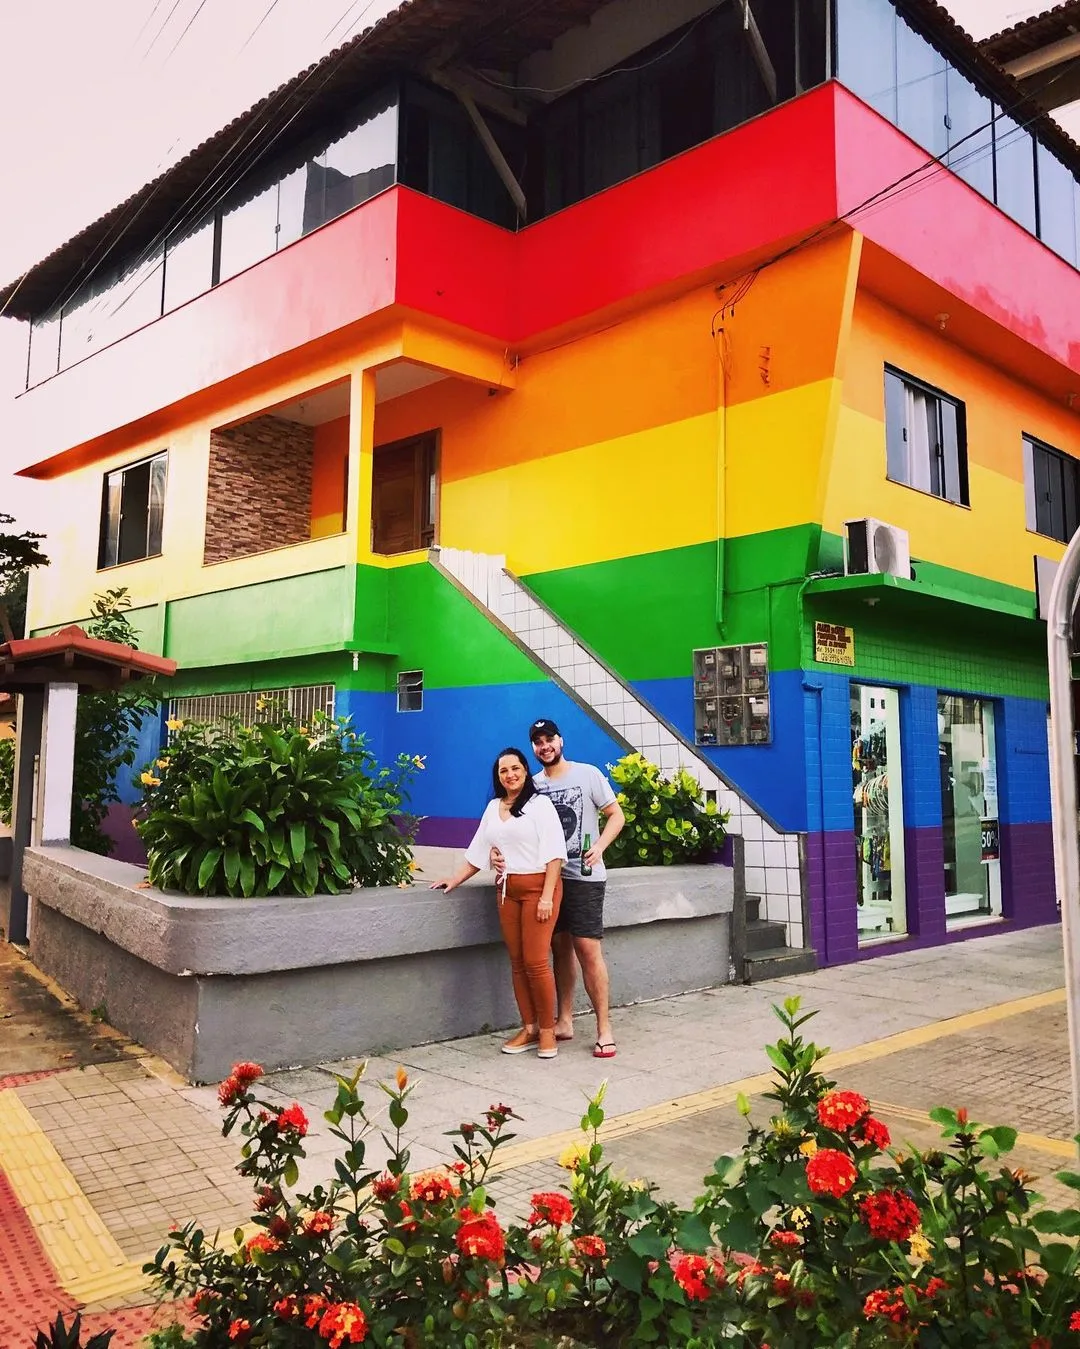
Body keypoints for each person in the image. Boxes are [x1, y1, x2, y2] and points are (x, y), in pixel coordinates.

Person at [497, 719, 625, 1059]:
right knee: (559, 948)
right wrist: (498, 856)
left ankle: (604, 1029)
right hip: (547, 881)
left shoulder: (588, 774)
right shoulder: (532, 786)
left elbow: (616, 815)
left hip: (584, 877)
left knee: (587, 948)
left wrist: (599, 847)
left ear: (560, 740)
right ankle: (564, 1020)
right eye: (537, 742)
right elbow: (511, 830)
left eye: (549, 738)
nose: (544, 746)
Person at [431, 747, 567, 1059]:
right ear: (498, 776)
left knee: (536, 962)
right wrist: (454, 879)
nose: (510, 775)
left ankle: (548, 1031)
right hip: (507, 890)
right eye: (504, 770)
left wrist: (547, 896)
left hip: (538, 890)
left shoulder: (540, 805)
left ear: (524, 770)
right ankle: (529, 1027)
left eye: (516, 768)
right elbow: (479, 850)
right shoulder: (494, 807)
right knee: (517, 962)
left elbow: (555, 855)